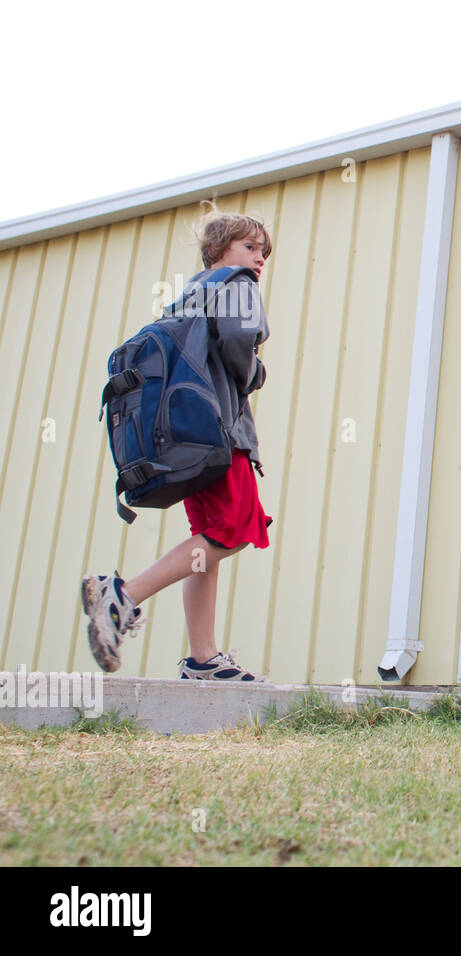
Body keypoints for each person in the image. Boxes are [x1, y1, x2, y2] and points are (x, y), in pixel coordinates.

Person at [81, 204, 274, 682]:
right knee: (232, 529)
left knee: (208, 542)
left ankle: (203, 658)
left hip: (187, 437)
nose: (260, 258)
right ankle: (122, 596)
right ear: (220, 249)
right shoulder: (236, 285)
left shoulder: (188, 295)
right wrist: (256, 372)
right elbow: (237, 347)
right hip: (221, 434)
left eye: (264, 252)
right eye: (251, 246)